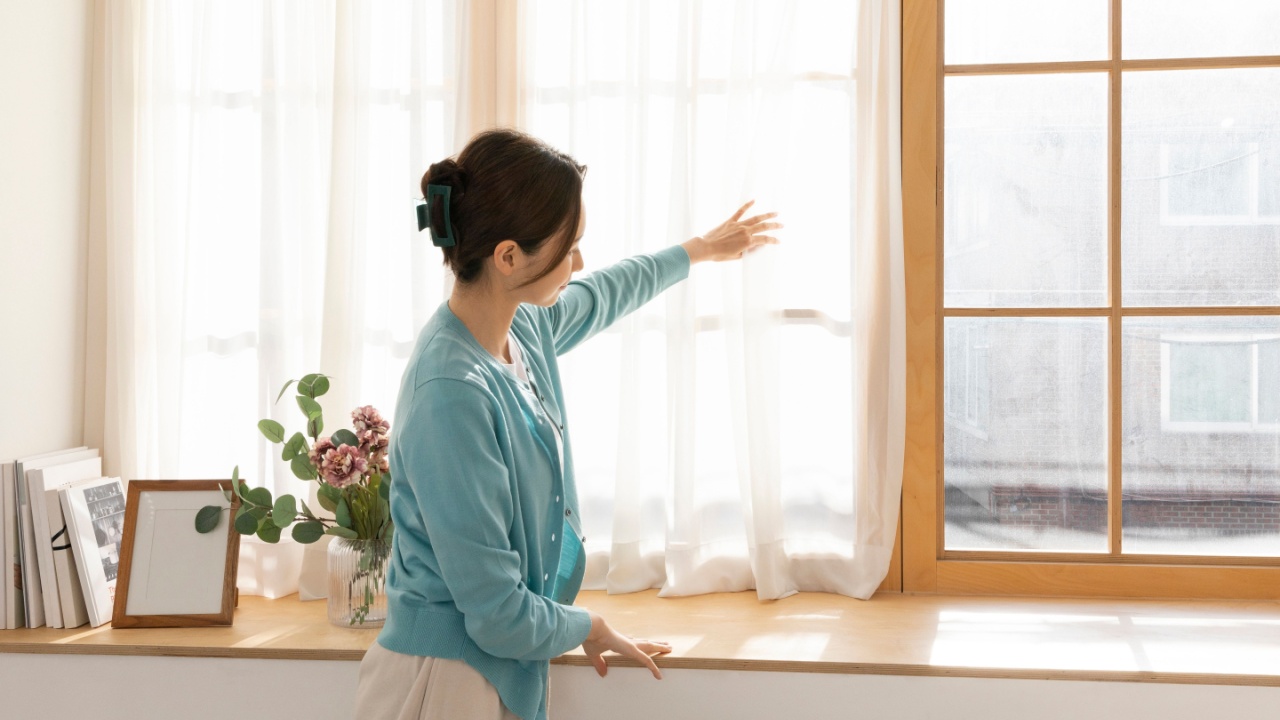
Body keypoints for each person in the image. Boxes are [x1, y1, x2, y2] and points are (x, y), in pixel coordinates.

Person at [354, 128, 781, 720]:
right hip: (443, 685)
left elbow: (603, 293)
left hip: (487, 670)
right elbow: (497, 611)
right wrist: (589, 623)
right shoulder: (449, 395)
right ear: (508, 257)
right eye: (569, 247)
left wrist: (698, 251)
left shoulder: (520, 326)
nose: (578, 263)